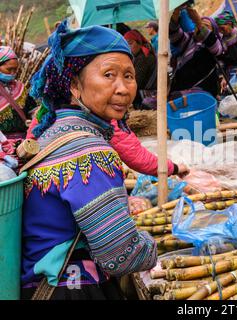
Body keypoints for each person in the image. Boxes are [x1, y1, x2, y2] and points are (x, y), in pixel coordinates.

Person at [20, 21, 185, 300]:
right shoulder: (90, 150)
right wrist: (149, 246)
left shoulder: (50, 132)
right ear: (74, 85)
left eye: (129, 76)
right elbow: (120, 255)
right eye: (109, 75)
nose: (123, 88)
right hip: (72, 290)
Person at [169, 6, 222, 97]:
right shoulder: (188, 39)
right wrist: (176, 14)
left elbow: (216, 49)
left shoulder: (215, 42)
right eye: (199, 25)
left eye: (207, 26)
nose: (201, 27)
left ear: (213, 30)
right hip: (181, 89)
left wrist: (199, 22)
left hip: (203, 90)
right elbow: (174, 35)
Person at [0, 46, 36, 139]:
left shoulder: (20, 88)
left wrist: (33, 119)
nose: (12, 73)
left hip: (24, 142)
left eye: (15, 69)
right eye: (9, 69)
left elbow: (32, 109)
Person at [124, 29, 157, 107]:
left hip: (151, 94)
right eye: (126, 44)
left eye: (130, 43)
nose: (128, 47)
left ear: (139, 43)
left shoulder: (143, 57)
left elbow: (136, 82)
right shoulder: (138, 55)